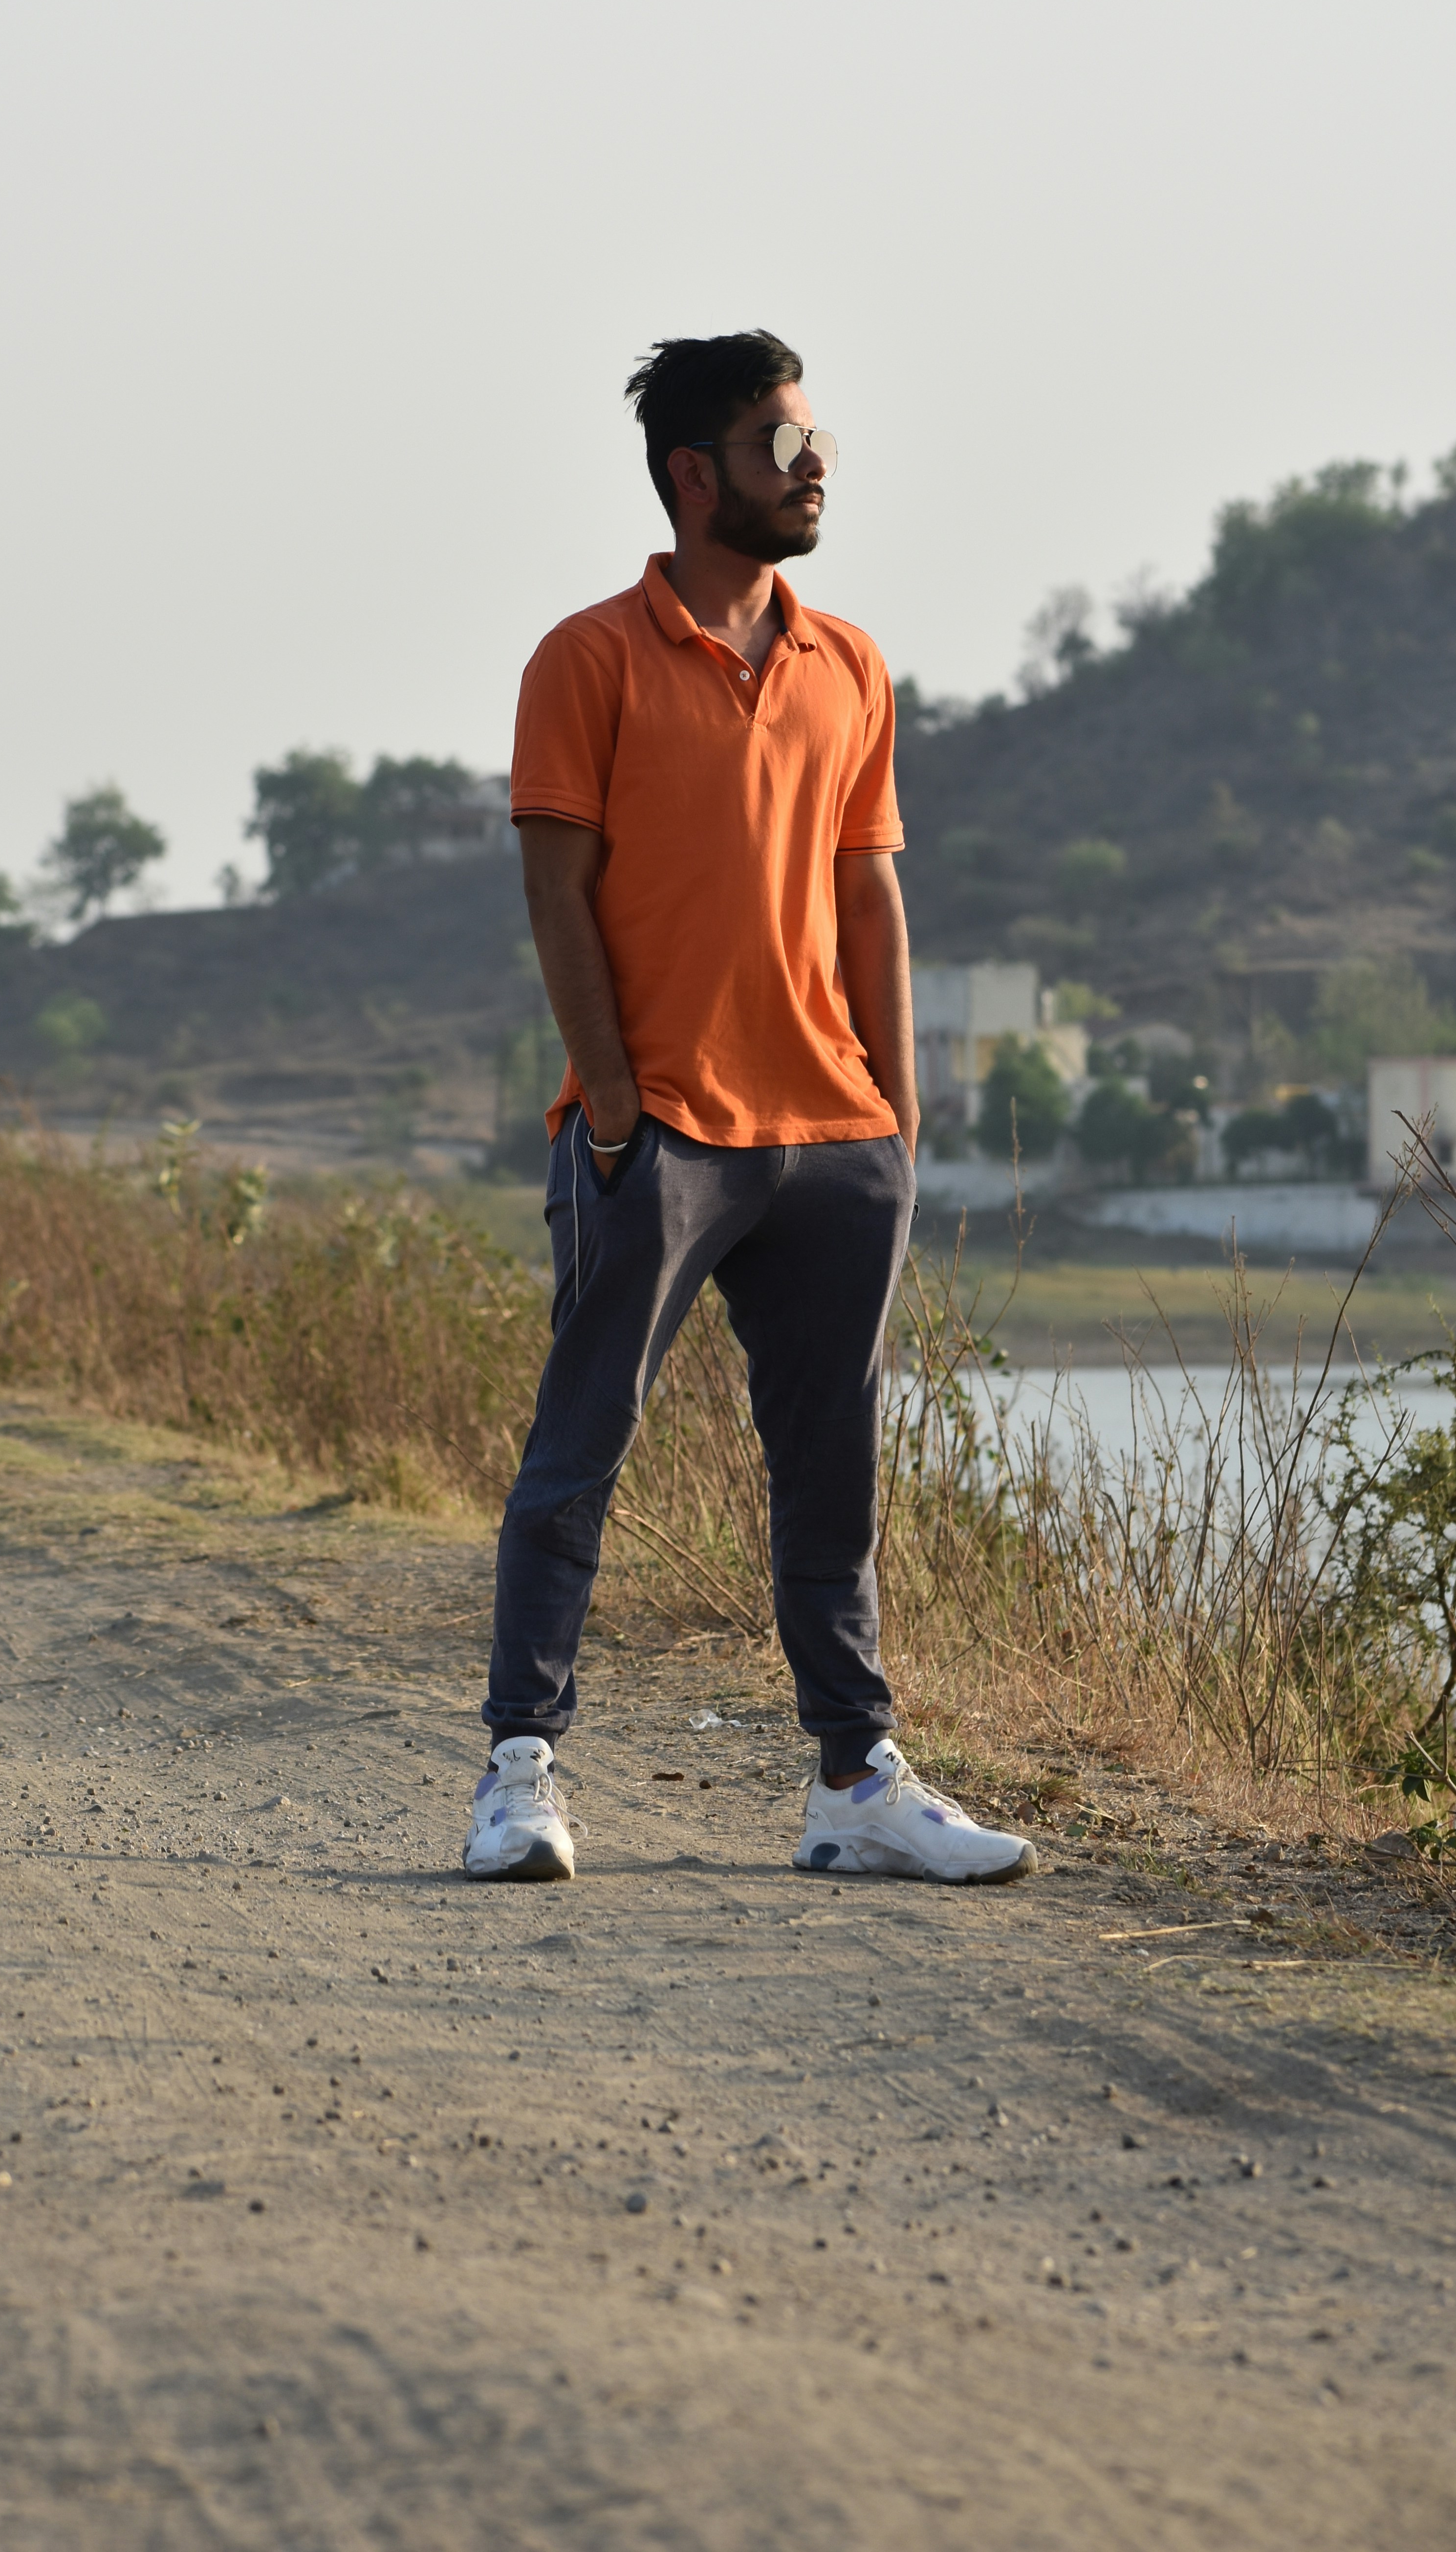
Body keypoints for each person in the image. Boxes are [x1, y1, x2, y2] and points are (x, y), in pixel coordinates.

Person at [463, 330, 1034, 1890]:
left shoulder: (851, 664)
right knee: (582, 1449)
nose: (817, 465)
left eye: (818, 437)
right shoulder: (586, 659)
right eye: (784, 445)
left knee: (832, 1469)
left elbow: (871, 896)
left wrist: (895, 1124)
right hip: (660, 1136)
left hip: (833, 1137)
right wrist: (613, 1111)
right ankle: (518, 1773)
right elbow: (557, 893)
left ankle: (856, 1783)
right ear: (695, 475)